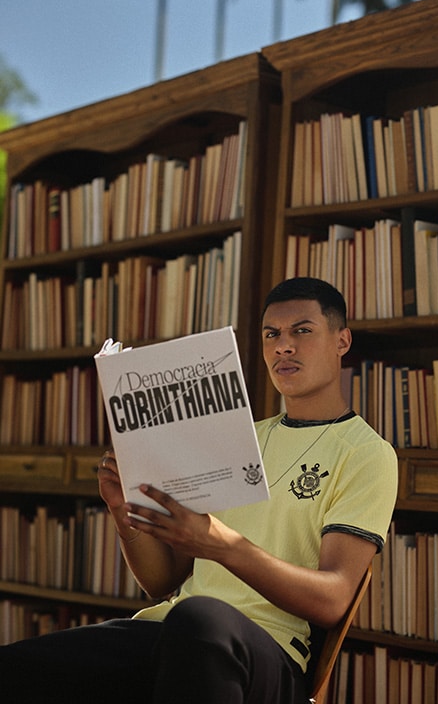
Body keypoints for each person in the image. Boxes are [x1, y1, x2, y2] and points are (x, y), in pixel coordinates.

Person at [0, 277, 398, 703]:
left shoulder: (366, 454)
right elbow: (160, 581)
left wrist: (222, 545)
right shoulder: (235, 437)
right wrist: (122, 510)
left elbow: (334, 599)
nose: (283, 346)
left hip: (266, 654)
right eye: (271, 334)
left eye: (302, 330)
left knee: (201, 619)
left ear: (342, 341)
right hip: (167, 630)